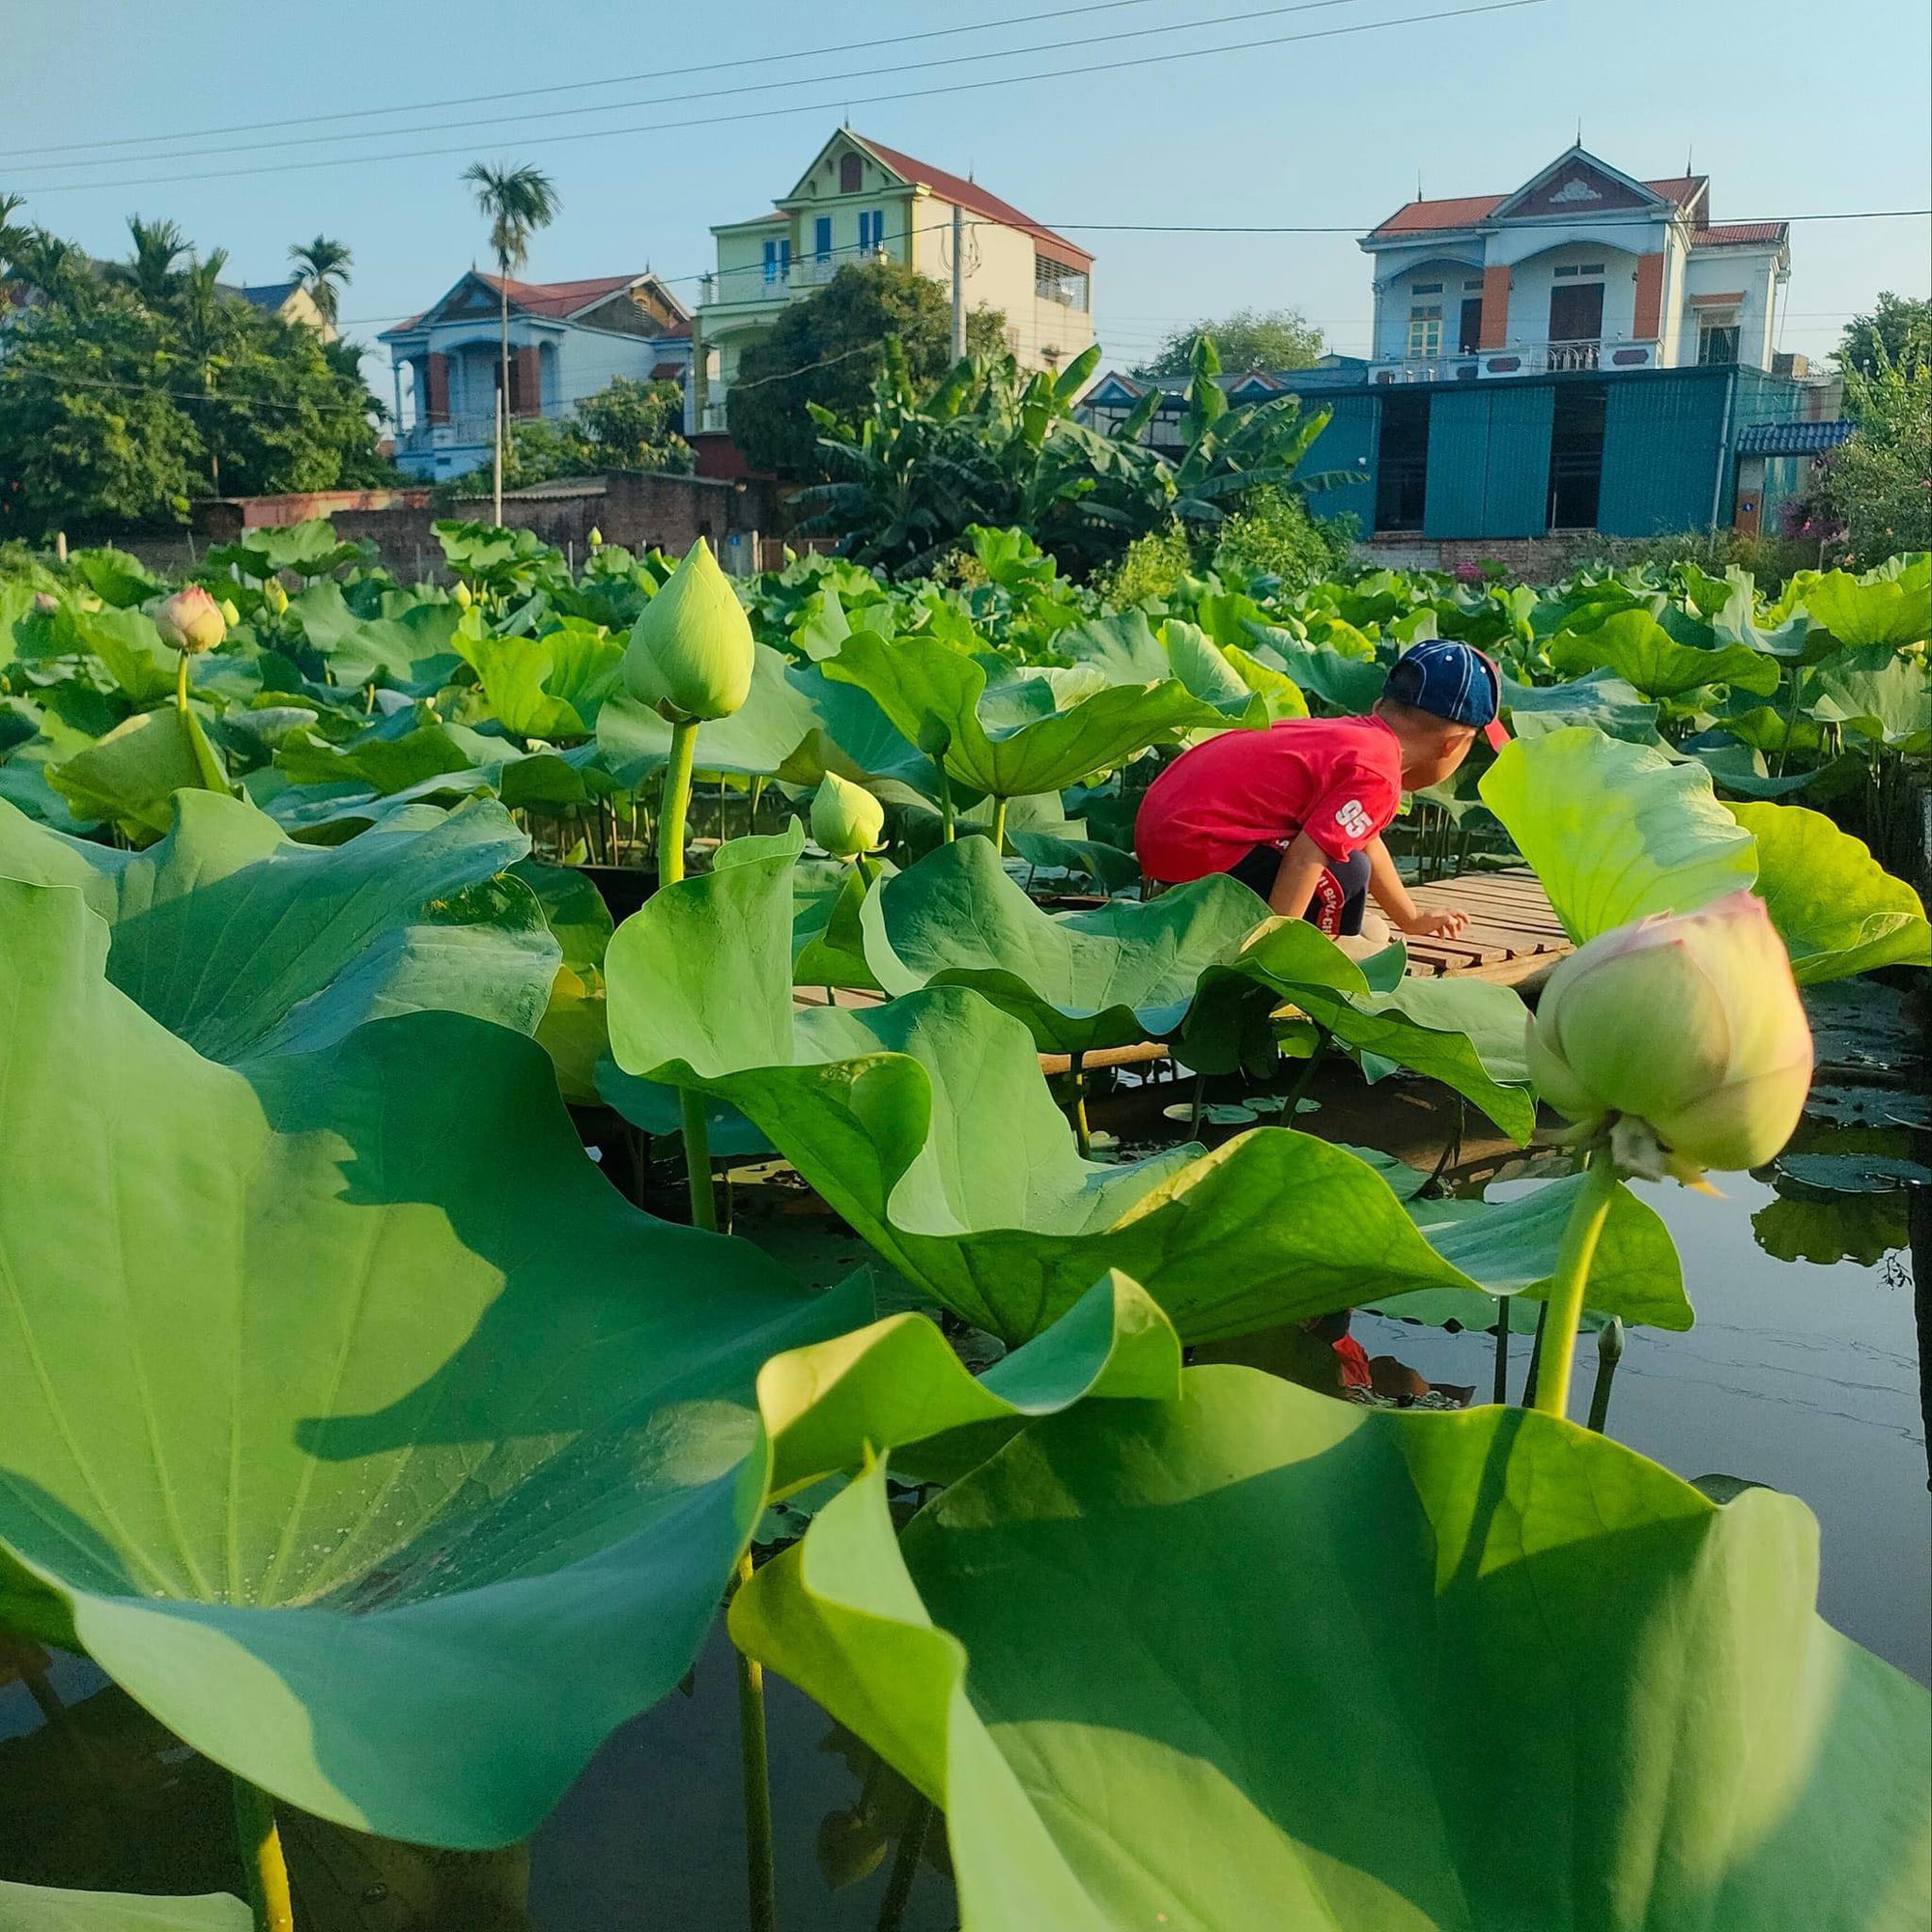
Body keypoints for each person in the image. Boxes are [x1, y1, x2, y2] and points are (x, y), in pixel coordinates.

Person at [1134, 639, 1508, 941]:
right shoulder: (1379, 772)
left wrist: (1411, 918)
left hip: (1169, 838)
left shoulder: (1356, 739)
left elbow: (1367, 840)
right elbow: (1305, 856)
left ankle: (1337, 930)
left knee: (1351, 857)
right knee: (1347, 870)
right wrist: (1279, 946)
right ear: (1452, 745)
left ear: (1381, 705)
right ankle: (1315, 943)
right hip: (1198, 848)